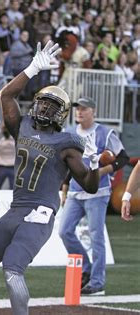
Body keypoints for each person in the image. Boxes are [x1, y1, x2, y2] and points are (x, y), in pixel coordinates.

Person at [0, 40, 100, 315]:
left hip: (40, 214)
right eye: (43, 103)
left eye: (52, 107)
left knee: (13, 270)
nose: (45, 109)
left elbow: (89, 184)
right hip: (15, 210)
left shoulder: (67, 142)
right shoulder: (23, 126)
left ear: (60, 114)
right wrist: (32, 68)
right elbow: (5, 96)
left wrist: (95, 164)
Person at [59, 96, 129, 296]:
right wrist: (64, 188)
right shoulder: (69, 133)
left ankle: (97, 282)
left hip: (99, 192)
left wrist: (103, 170)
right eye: (77, 108)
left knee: (96, 236)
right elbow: (67, 164)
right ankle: (87, 268)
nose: (79, 112)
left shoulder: (105, 133)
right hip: (74, 190)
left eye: (84, 108)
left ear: (93, 112)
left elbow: (122, 158)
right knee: (64, 231)